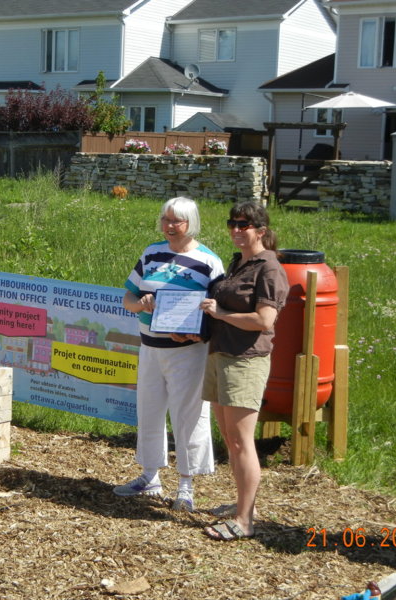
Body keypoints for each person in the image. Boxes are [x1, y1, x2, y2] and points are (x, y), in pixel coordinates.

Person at [113, 196, 225, 512]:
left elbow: (218, 309)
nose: (170, 226)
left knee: (188, 416)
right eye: (166, 220)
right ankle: (149, 476)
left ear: (192, 223)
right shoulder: (151, 253)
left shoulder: (209, 262)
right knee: (148, 410)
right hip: (150, 347)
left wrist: (196, 330)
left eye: (177, 221)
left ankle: (186, 486)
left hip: (188, 351)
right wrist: (141, 304)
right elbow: (128, 297)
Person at [201, 200, 288, 541]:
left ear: (261, 231)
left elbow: (265, 321)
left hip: (245, 360)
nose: (236, 230)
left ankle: (245, 521)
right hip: (220, 355)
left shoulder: (269, 269)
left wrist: (220, 314)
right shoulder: (239, 262)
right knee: (230, 440)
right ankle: (242, 505)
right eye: (232, 223)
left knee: (241, 442)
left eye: (244, 225)